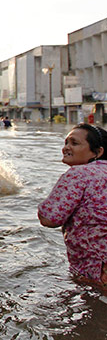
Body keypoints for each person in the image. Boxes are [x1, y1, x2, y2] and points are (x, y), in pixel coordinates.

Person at [38, 123, 107, 288]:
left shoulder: (79, 174)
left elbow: (50, 218)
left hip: (97, 269)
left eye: (74, 143)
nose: (66, 148)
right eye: (66, 143)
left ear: (98, 152)